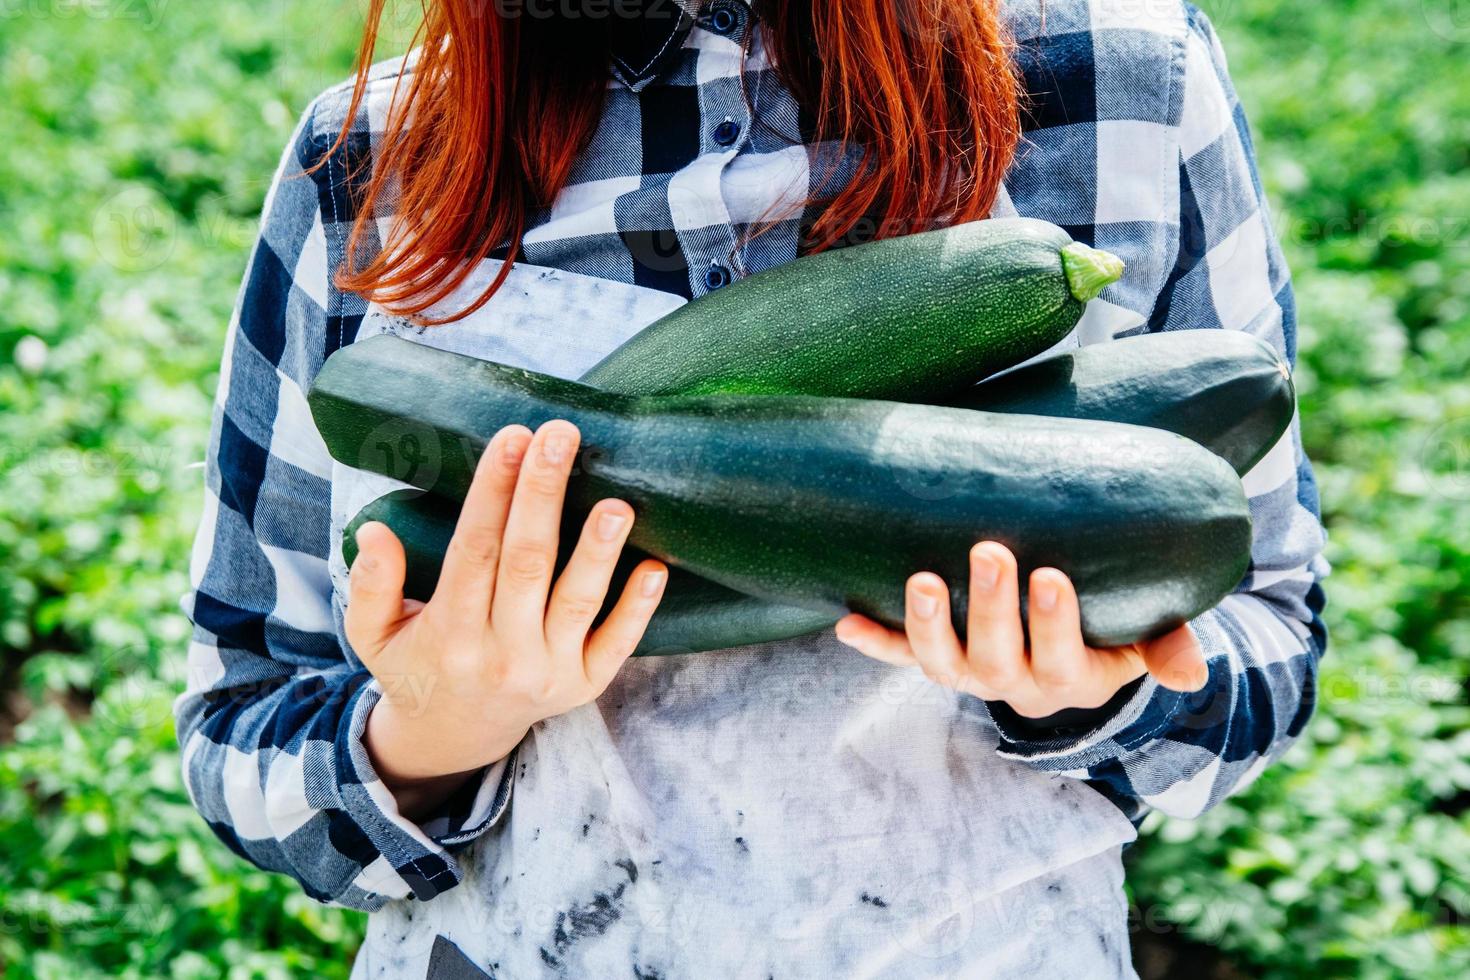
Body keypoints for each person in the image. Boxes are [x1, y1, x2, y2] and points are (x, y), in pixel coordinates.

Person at [174, 0, 1328, 975]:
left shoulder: (1119, 76)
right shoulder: (373, 158)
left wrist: (1088, 693)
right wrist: (432, 728)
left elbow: (1267, 635)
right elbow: (242, 731)